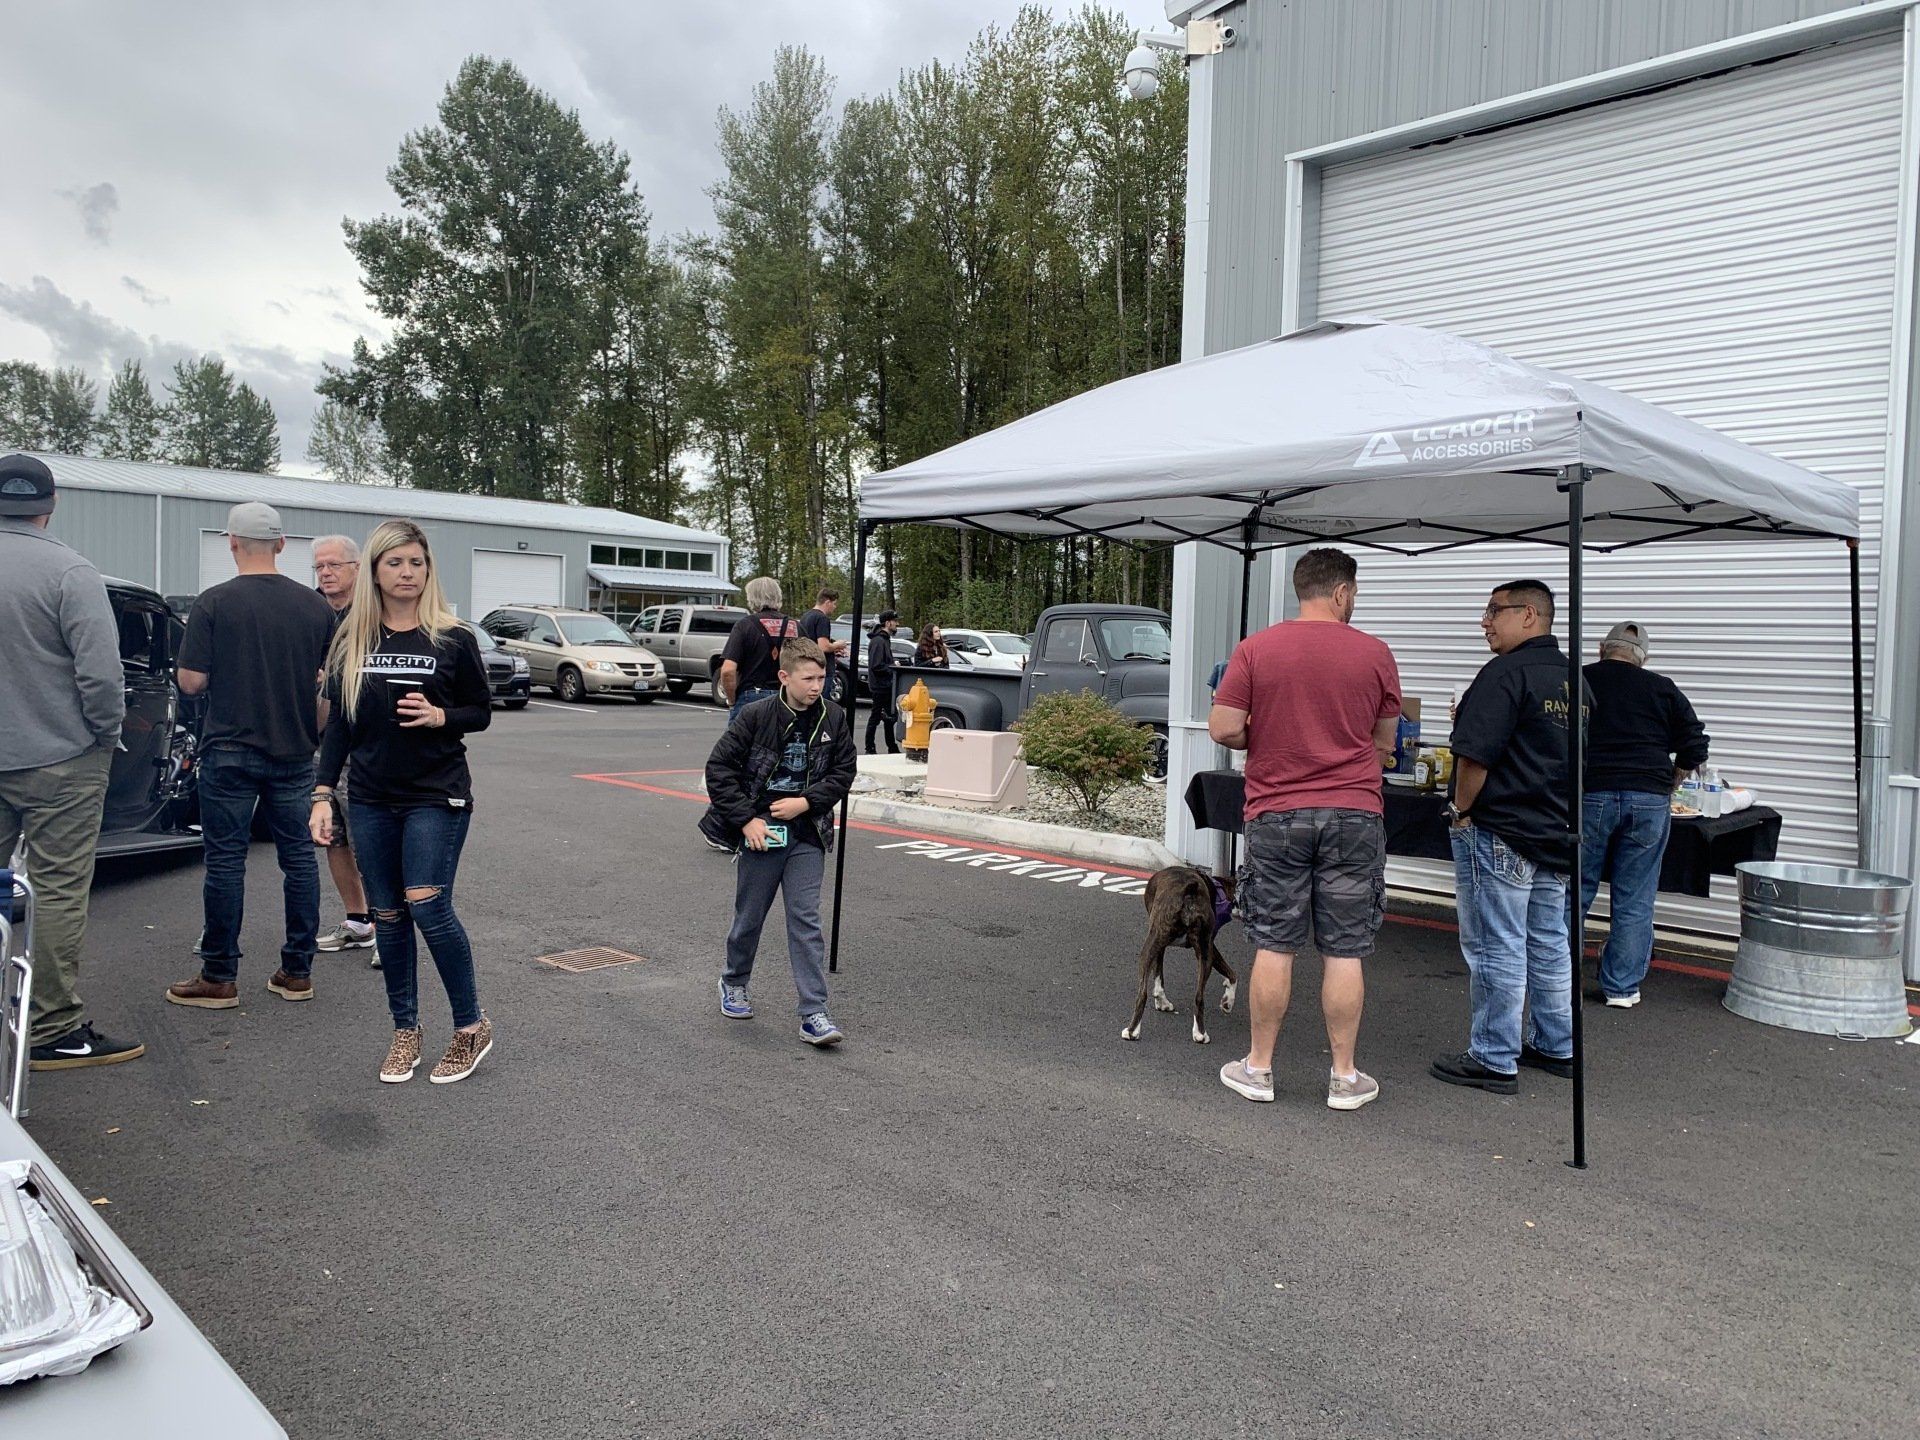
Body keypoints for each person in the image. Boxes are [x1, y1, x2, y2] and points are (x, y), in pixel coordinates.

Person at [1208, 548, 1401, 1111]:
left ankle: (1259, 1068)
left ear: (1301, 589)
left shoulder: (1256, 648)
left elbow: (1223, 729)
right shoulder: (1375, 653)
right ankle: (1344, 1077)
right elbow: (1385, 741)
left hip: (1277, 813)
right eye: (1355, 593)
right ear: (1342, 592)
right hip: (1355, 815)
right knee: (1345, 949)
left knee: (1275, 942)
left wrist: (1264, 736)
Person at [312, 519, 495, 1084]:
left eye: (417, 562)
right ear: (375, 571)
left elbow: (480, 712)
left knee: (427, 904)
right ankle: (405, 1031)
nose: (408, 573)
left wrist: (441, 716)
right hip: (369, 797)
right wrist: (323, 795)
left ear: (428, 570)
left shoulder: (452, 638)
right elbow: (339, 726)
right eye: (396, 563)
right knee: (387, 915)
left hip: (436, 794)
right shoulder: (352, 639)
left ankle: (470, 1028)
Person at [0, 455, 141, 1070]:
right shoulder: (70, 571)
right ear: (49, 505)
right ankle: (52, 1027)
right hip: (60, 758)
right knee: (57, 890)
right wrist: (105, 737)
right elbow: (102, 677)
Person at [168, 503, 335, 1010]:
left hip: (229, 752)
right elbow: (326, 688)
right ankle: (296, 971)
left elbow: (192, 681)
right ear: (282, 545)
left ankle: (219, 976)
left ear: (232, 543)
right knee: (299, 861)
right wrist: (310, 730)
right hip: (294, 752)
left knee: (225, 862)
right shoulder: (316, 607)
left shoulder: (214, 602)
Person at [1430, 579, 1591, 1095]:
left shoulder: (1504, 674)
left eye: (1493, 611)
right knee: (1548, 941)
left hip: (1502, 829)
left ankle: (1495, 1055)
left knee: (1495, 942)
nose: (1485, 622)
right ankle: (1557, 1043)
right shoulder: (1575, 680)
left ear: (1528, 615)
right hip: (1555, 830)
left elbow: (1474, 756)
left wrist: (1459, 809)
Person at [702, 637, 858, 1046]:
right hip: (763, 830)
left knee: (806, 921)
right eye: (808, 678)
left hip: (808, 832)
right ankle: (733, 981)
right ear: (784, 676)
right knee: (750, 916)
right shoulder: (756, 716)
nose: (816, 686)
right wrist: (746, 821)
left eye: (822, 677)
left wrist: (807, 801)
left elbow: (844, 772)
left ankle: (814, 1013)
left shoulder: (834, 717)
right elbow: (719, 769)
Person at [1580, 621, 1709, 1009]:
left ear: (1603, 647)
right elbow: (1695, 744)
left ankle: (1558, 978)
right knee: (1635, 896)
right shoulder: (1662, 687)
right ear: (1643, 658)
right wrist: (1673, 778)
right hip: (1649, 799)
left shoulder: (1580, 680)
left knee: (1575, 890)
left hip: (1591, 793)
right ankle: (1621, 987)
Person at [310, 535, 375, 960]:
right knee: (334, 838)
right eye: (319, 567)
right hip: (323, 748)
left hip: (365, 747)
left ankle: (388, 928)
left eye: (334, 565)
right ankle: (357, 921)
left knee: (371, 842)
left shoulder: (371, 617)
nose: (326, 573)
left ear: (356, 568)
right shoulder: (314, 614)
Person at [718, 577, 799, 721]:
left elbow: (728, 671)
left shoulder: (744, 626)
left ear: (752, 598)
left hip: (751, 697)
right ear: (778, 596)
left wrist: (732, 701)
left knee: (740, 743)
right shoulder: (796, 626)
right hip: (787, 698)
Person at [796, 587, 849, 704]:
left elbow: (811, 642)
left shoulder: (806, 616)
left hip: (807, 666)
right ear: (827, 602)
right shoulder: (822, 618)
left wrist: (834, 649)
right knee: (821, 705)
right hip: (821, 668)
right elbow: (823, 646)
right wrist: (837, 645)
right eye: (834, 604)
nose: (835, 607)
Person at [864, 611, 902, 756]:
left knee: (888, 718)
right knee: (876, 717)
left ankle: (891, 747)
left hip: (885, 685)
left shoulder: (883, 640)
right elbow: (876, 665)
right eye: (895, 621)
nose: (897, 624)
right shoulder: (879, 641)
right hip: (880, 686)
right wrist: (892, 667)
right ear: (887, 623)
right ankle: (870, 747)